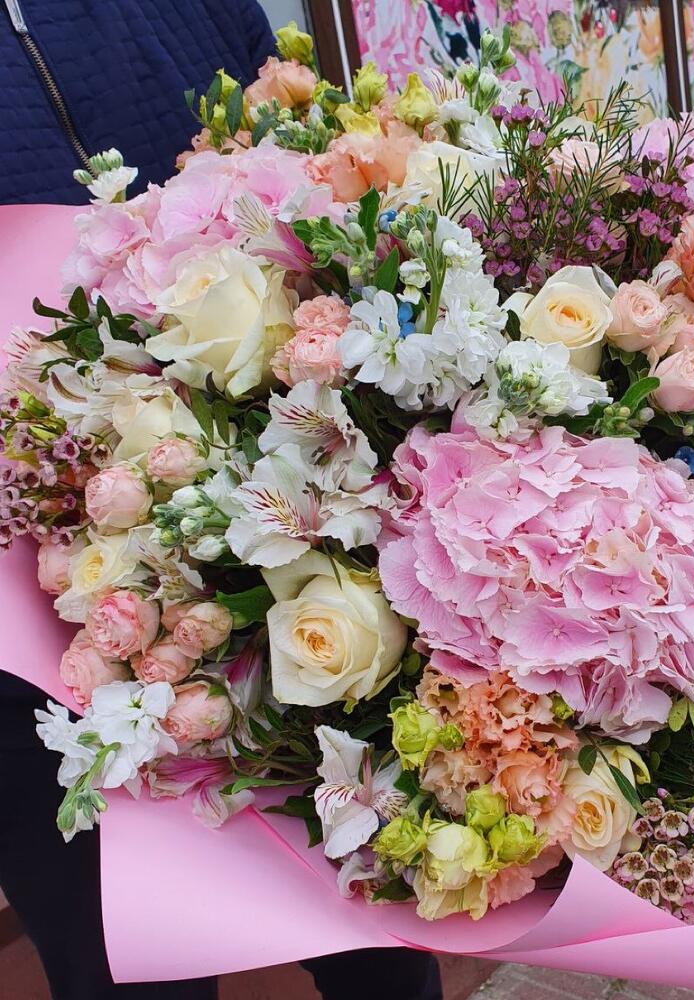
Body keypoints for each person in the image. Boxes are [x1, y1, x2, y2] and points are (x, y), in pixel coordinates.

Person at [0, 3, 443, 998]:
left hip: (287, 574)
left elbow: (295, 162)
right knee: (121, 963)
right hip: (29, 640)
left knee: (377, 942)